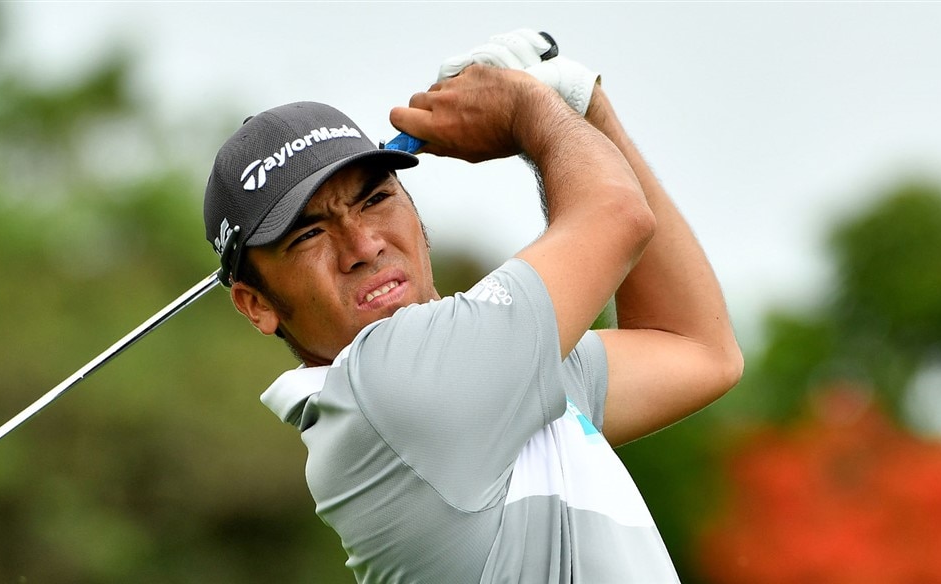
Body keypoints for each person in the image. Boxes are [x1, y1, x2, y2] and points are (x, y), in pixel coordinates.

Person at [202, 29, 743, 584]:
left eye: (376, 198)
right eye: (308, 235)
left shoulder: (495, 376)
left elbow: (697, 348)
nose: (363, 246)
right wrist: (535, 110)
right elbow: (618, 214)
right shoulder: (388, 388)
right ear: (256, 304)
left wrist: (580, 107)